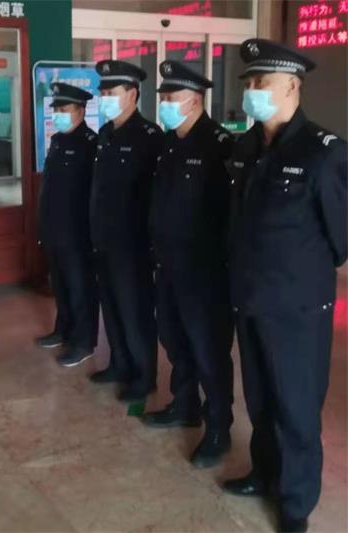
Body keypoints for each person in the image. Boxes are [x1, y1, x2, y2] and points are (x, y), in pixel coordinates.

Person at [223, 39, 347, 533]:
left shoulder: (324, 152)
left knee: (296, 406)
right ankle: (264, 472)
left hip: (297, 308)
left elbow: (341, 240)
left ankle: (296, 503)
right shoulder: (246, 148)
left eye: (263, 81)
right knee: (260, 399)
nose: (253, 90)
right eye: (250, 82)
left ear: (292, 87)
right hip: (250, 298)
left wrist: (297, 272)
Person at [141, 61, 235, 468]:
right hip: (168, 264)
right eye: (162, 97)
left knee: (209, 350)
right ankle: (184, 404)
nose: (164, 103)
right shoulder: (169, 143)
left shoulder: (219, 145)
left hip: (205, 273)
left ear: (195, 100)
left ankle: (218, 428)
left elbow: (229, 215)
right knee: (174, 338)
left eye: (171, 97)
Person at [89, 60, 164, 403]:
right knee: (111, 306)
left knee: (135, 312)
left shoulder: (149, 137)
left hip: (132, 245)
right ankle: (119, 364)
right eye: (102, 91)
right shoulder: (106, 134)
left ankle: (143, 375)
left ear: (132, 94)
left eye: (111, 91)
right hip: (104, 239)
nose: (104, 97)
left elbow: (154, 197)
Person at [35, 82, 99, 367]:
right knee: (60, 286)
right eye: (56, 109)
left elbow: (93, 194)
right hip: (55, 229)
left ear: (81, 111)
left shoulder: (90, 143)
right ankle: (63, 330)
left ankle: (83, 342)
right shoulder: (58, 140)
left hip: (77, 232)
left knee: (80, 288)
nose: (58, 114)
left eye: (64, 109)